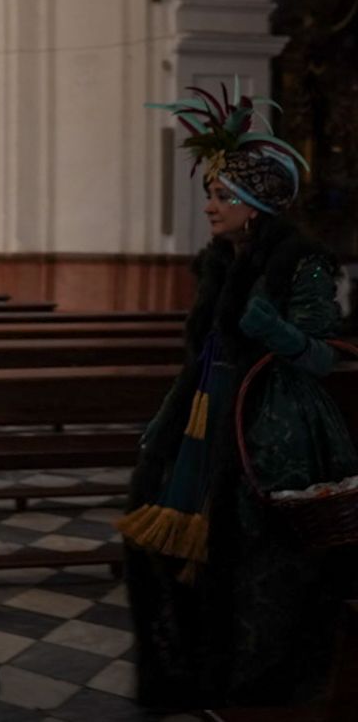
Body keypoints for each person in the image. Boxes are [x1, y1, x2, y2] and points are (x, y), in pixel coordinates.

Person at [118, 82, 358, 709]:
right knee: (172, 542)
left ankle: (257, 687)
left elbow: (324, 355)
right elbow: (201, 355)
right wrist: (168, 421)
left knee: (256, 560)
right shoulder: (217, 262)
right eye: (210, 192)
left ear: (255, 204)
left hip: (268, 423)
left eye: (222, 195)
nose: (210, 205)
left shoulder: (300, 264)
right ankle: (192, 675)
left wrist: (272, 328)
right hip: (205, 409)